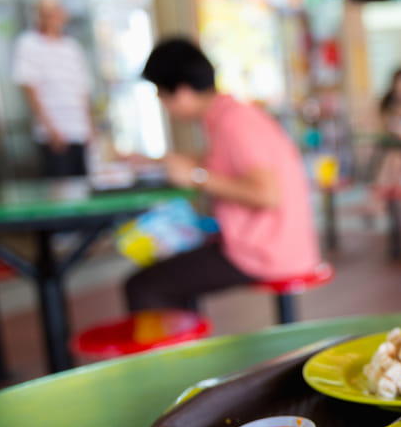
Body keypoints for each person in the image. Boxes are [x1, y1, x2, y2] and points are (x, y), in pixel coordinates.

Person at [124, 38, 321, 311]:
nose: (163, 104)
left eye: (161, 94)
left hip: (266, 252)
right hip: (280, 244)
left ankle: (175, 353)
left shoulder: (233, 124)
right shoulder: (231, 115)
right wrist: (152, 161)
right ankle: (187, 348)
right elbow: (219, 162)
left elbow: (267, 195)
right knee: (174, 266)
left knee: (143, 285)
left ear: (181, 91)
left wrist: (197, 177)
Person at [11, 0, 94, 177]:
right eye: (47, 13)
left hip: (79, 129)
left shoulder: (72, 47)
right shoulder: (28, 44)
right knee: (61, 187)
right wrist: (50, 129)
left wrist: (90, 127)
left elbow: (83, 90)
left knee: (84, 185)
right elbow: (29, 88)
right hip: (54, 133)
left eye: (56, 11)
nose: (54, 17)